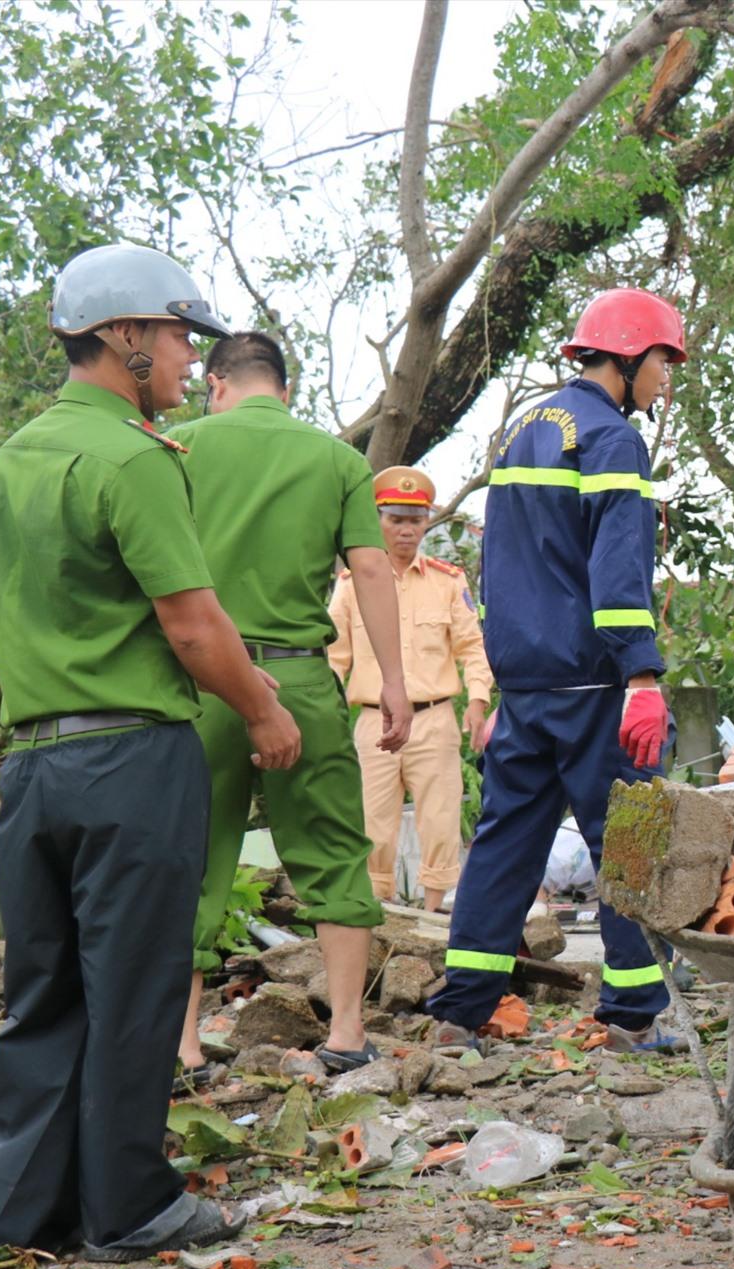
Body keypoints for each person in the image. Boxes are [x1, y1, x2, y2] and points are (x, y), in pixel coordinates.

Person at [0, 244, 301, 1259]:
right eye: (174, 334)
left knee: (46, 992)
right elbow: (195, 629)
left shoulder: (9, 462)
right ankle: (130, 1208)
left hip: (30, 767)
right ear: (124, 336)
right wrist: (263, 709)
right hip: (130, 763)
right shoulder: (135, 458)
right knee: (134, 987)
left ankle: (21, 1209)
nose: (184, 357)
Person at [426, 287, 685, 1055]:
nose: (665, 381)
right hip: (596, 687)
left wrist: (508, 680)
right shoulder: (611, 440)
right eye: (664, 363)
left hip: (529, 688)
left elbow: (500, 562)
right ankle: (635, 1012)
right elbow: (617, 570)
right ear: (631, 356)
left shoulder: (521, 428)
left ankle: (460, 1009)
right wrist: (642, 676)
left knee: (506, 843)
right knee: (632, 844)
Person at [172, 331, 412, 1079]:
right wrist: (393, 684)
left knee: (189, 859)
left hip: (199, 683)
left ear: (216, 384)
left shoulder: (175, 449)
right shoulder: (337, 459)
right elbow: (370, 570)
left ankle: (180, 1046)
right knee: (334, 851)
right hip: (300, 682)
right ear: (284, 389)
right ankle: (344, 1034)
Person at [327, 466, 493, 913]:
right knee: (371, 823)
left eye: (415, 520)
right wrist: (322, 719)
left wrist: (477, 700)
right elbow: (333, 657)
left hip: (434, 718)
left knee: (439, 819)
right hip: (371, 720)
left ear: (427, 523)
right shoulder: (351, 585)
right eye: (395, 519)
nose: (405, 530)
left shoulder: (447, 581)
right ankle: (378, 912)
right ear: (377, 518)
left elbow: (473, 647)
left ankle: (434, 911)